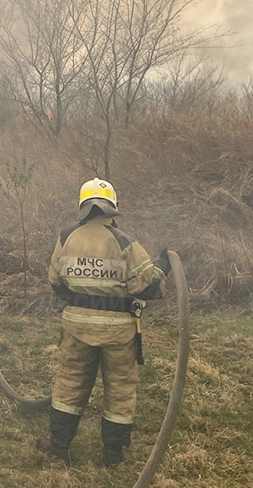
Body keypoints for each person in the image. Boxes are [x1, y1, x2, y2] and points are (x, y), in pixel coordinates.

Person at [38, 178, 169, 467]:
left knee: (69, 384)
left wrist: (79, 298)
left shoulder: (66, 237)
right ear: (112, 209)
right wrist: (162, 266)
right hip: (118, 330)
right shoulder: (125, 242)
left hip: (76, 326)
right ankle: (113, 454)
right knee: (120, 389)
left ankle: (59, 444)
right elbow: (146, 287)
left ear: (83, 206)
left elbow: (55, 282)